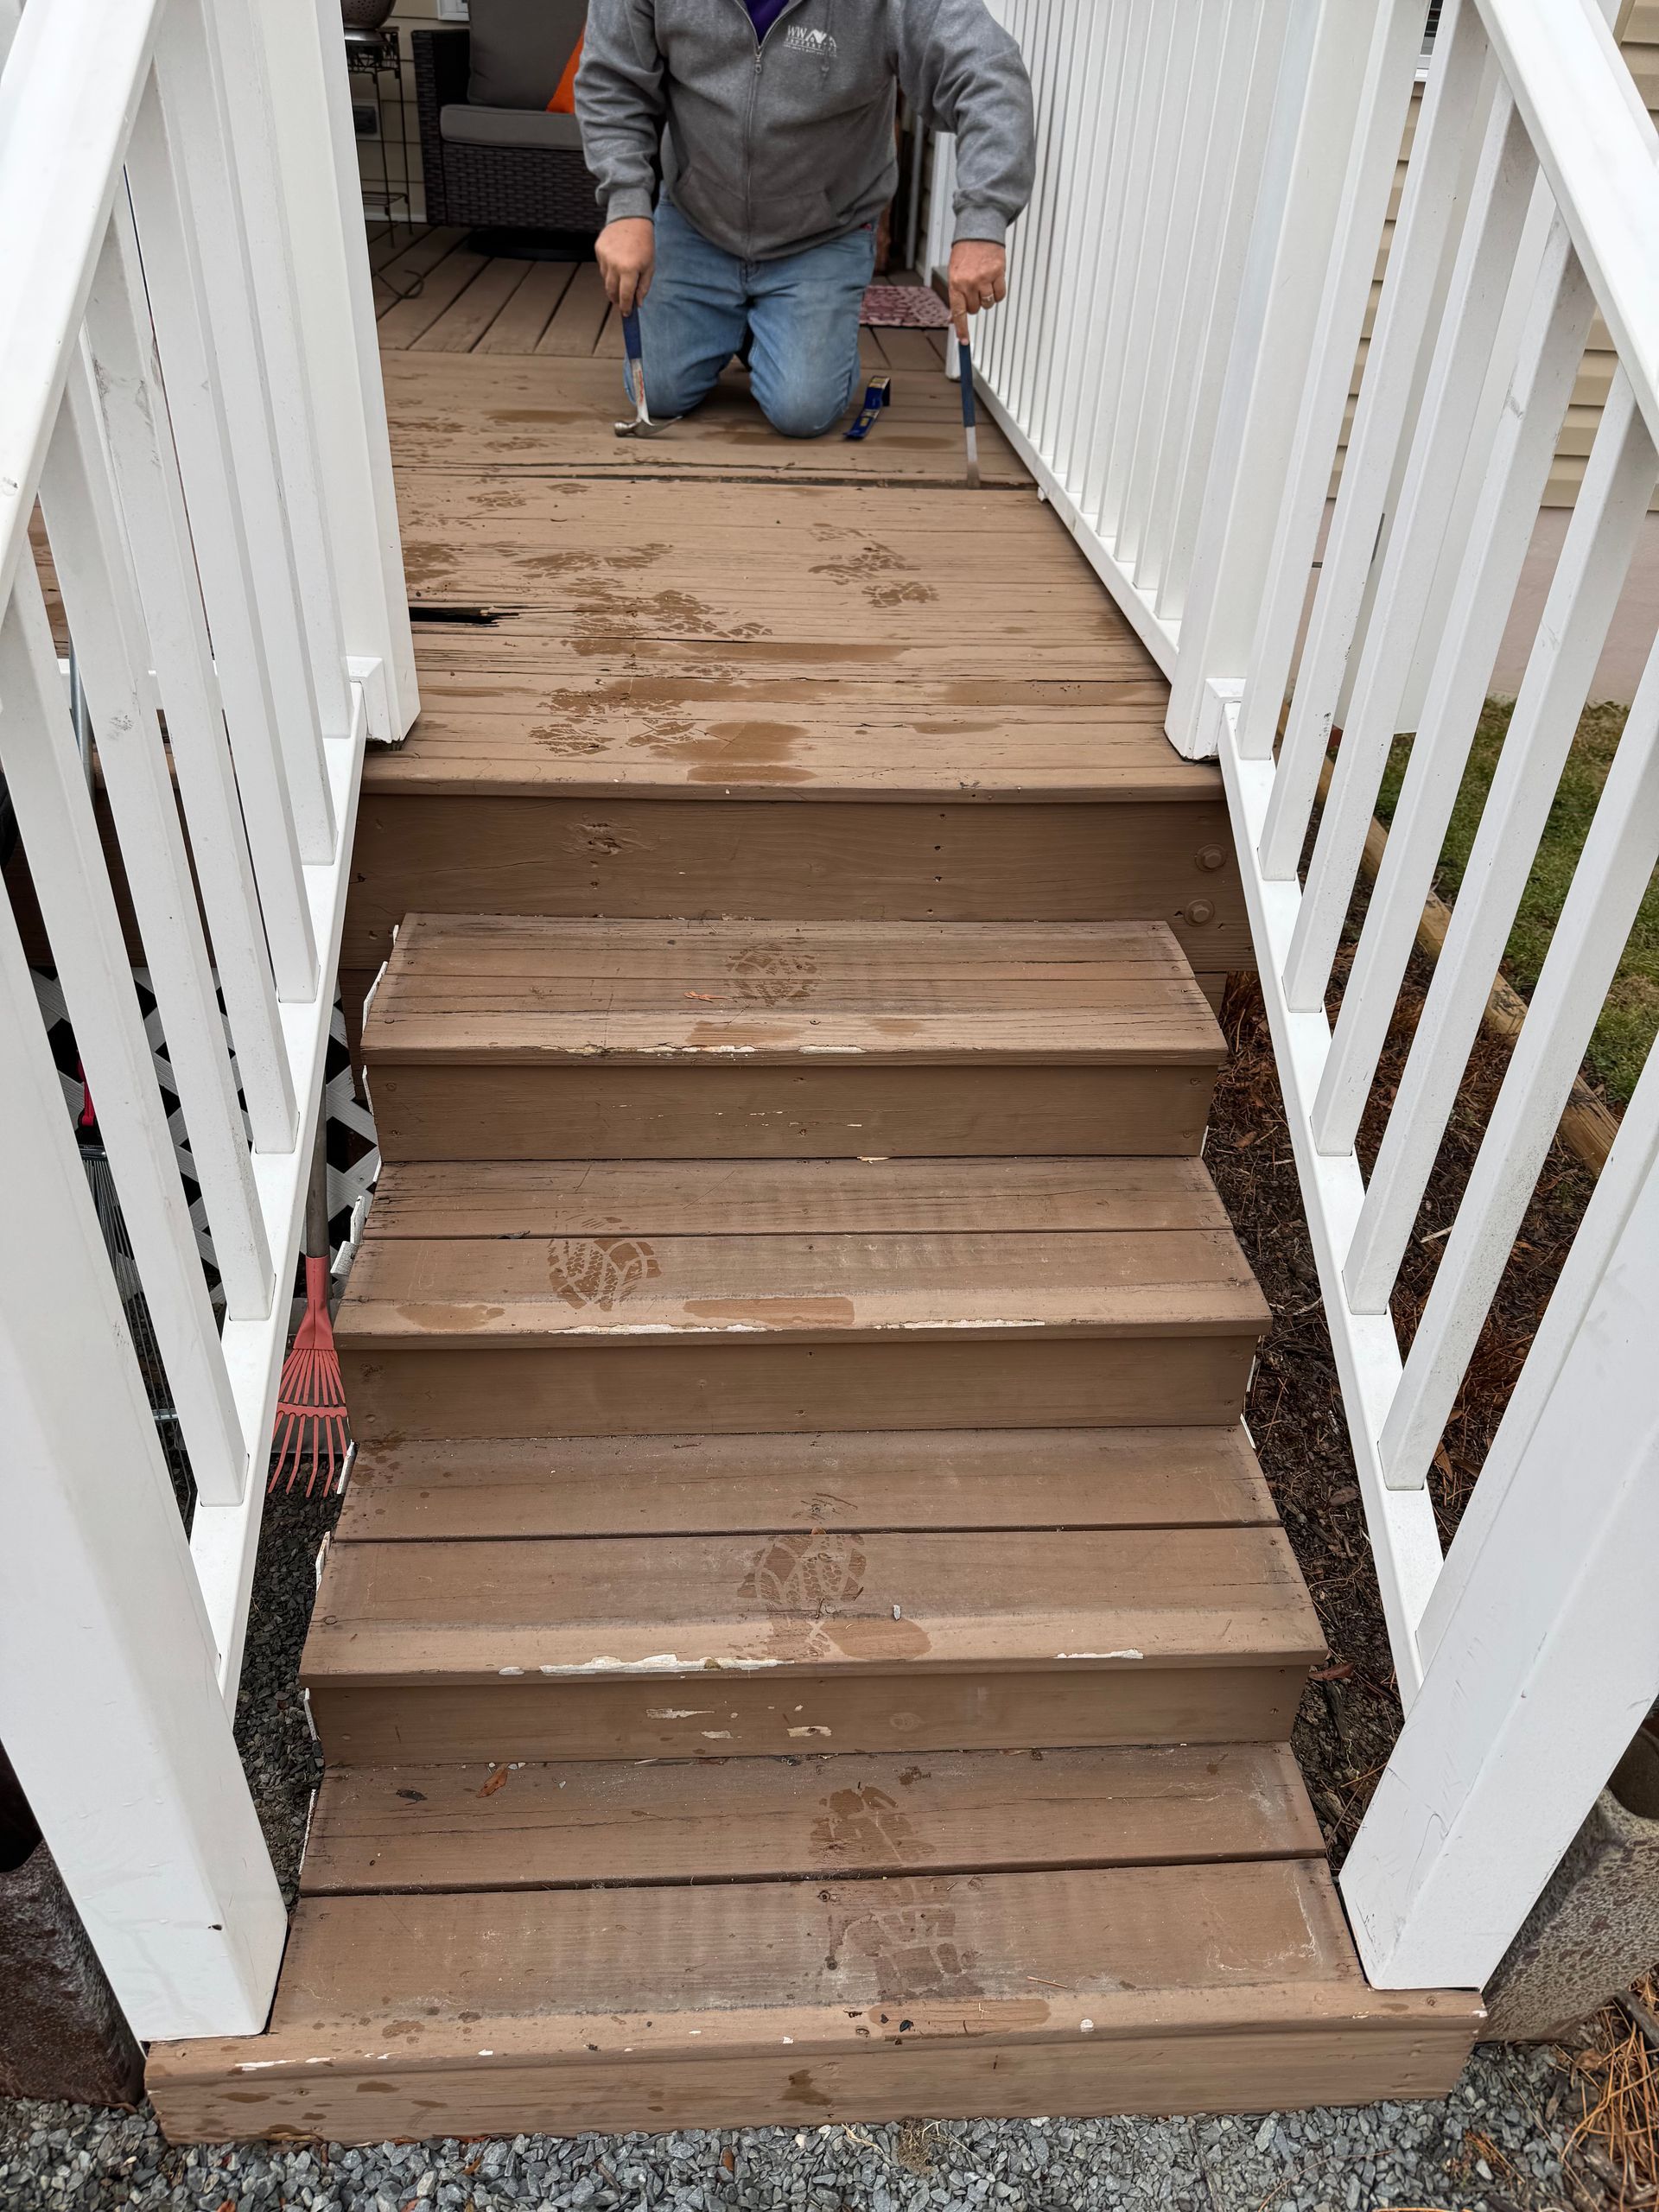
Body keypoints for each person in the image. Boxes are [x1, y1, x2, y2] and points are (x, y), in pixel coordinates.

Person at [575, 0, 1034, 438]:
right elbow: (611, 83)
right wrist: (627, 205)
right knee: (653, 392)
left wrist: (981, 221)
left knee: (803, 410)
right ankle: (757, 325)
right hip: (698, 215)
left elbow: (988, 74)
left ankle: (793, 329)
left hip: (823, 229)